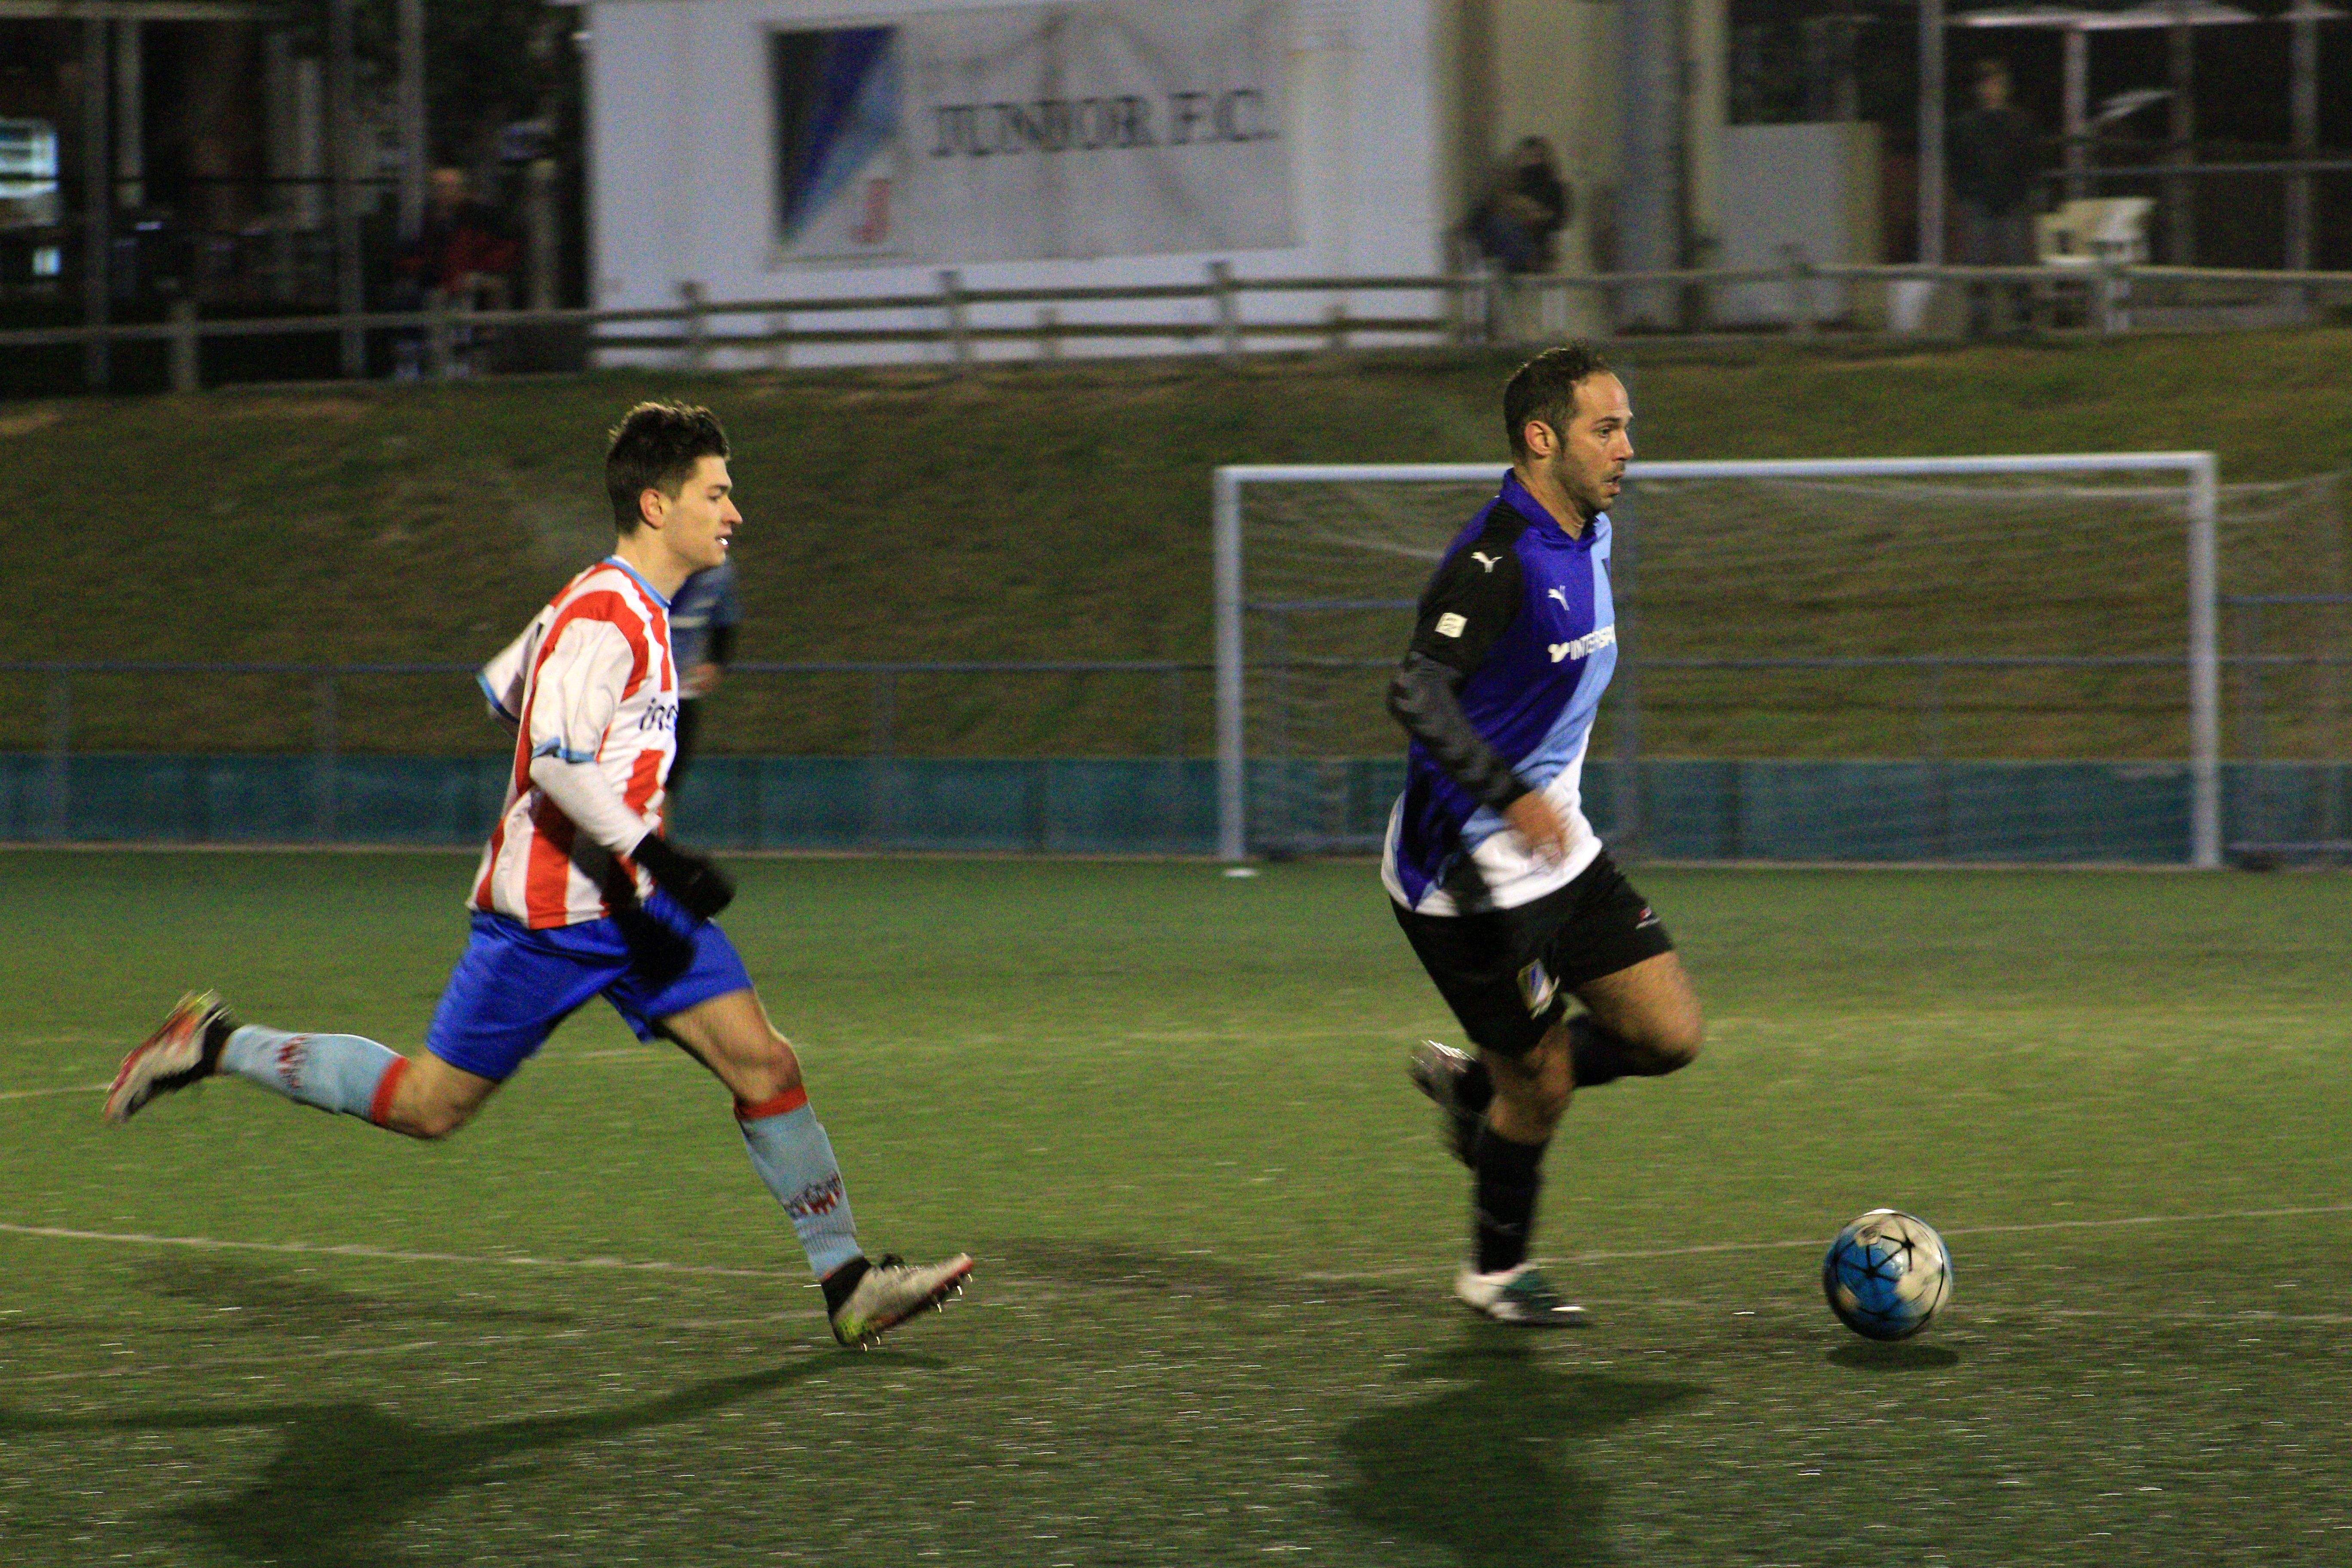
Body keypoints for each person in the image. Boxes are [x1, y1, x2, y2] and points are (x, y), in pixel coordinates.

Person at [104, 401, 973, 1350]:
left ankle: (848, 1282)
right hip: (552, 921)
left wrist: (634, 822)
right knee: (429, 1106)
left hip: (632, 909)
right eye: (717, 494)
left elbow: (506, 686)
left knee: (765, 1063)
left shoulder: (618, 605)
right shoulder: (608, 614)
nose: (735, 514)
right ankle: (216, 1043)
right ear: (656, 503)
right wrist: (651, 849)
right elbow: (556, 758)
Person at [1384, 344, 1703, 1326]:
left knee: (1665, 1035)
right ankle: (1491, 1275)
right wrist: (1506, 795)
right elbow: (1416, 691)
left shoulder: (1591, 531)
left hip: (1559, 850)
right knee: (1546, 1088)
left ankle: (1477, 1083)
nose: (1627, 449)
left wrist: (1543, 809)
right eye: (1605, 429)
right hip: (1468, 880)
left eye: (1626, 427)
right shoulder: (1495, 558)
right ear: (1540, 439)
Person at [1947, 59, 2043, 335]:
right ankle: (1979, 320)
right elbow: (1958, 164)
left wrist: (2027, 194)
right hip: (1978, 202)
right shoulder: (1965, 126)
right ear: (1978, 89)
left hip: (2013, 202)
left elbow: (2031, 162)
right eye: (1986, 83)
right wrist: (1967, 193)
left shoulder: (2022, 124)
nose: (1991, 89)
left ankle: (2023, 320)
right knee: (1976, 263)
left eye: (1996, 83)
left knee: (2018, 262)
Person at [666, 560, 741, 796]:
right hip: (640, 687)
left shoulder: (719, 574)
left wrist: (716, 663)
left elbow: (726, 622)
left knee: (670, 775)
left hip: (684, 688)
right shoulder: (650, 564)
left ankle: (657, 831)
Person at [1469, 137, 1571, 276]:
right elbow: (1480, 219)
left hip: (1533, 241)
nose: (1532, 163)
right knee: (1497, 225)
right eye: (1528, 158)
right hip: (1505, 238)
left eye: (1537, 157)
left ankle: (1518, 264)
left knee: (1504, 229)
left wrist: (1534, 215)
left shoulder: (1553, 188)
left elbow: (1557, 220)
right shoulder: (1511, 185)